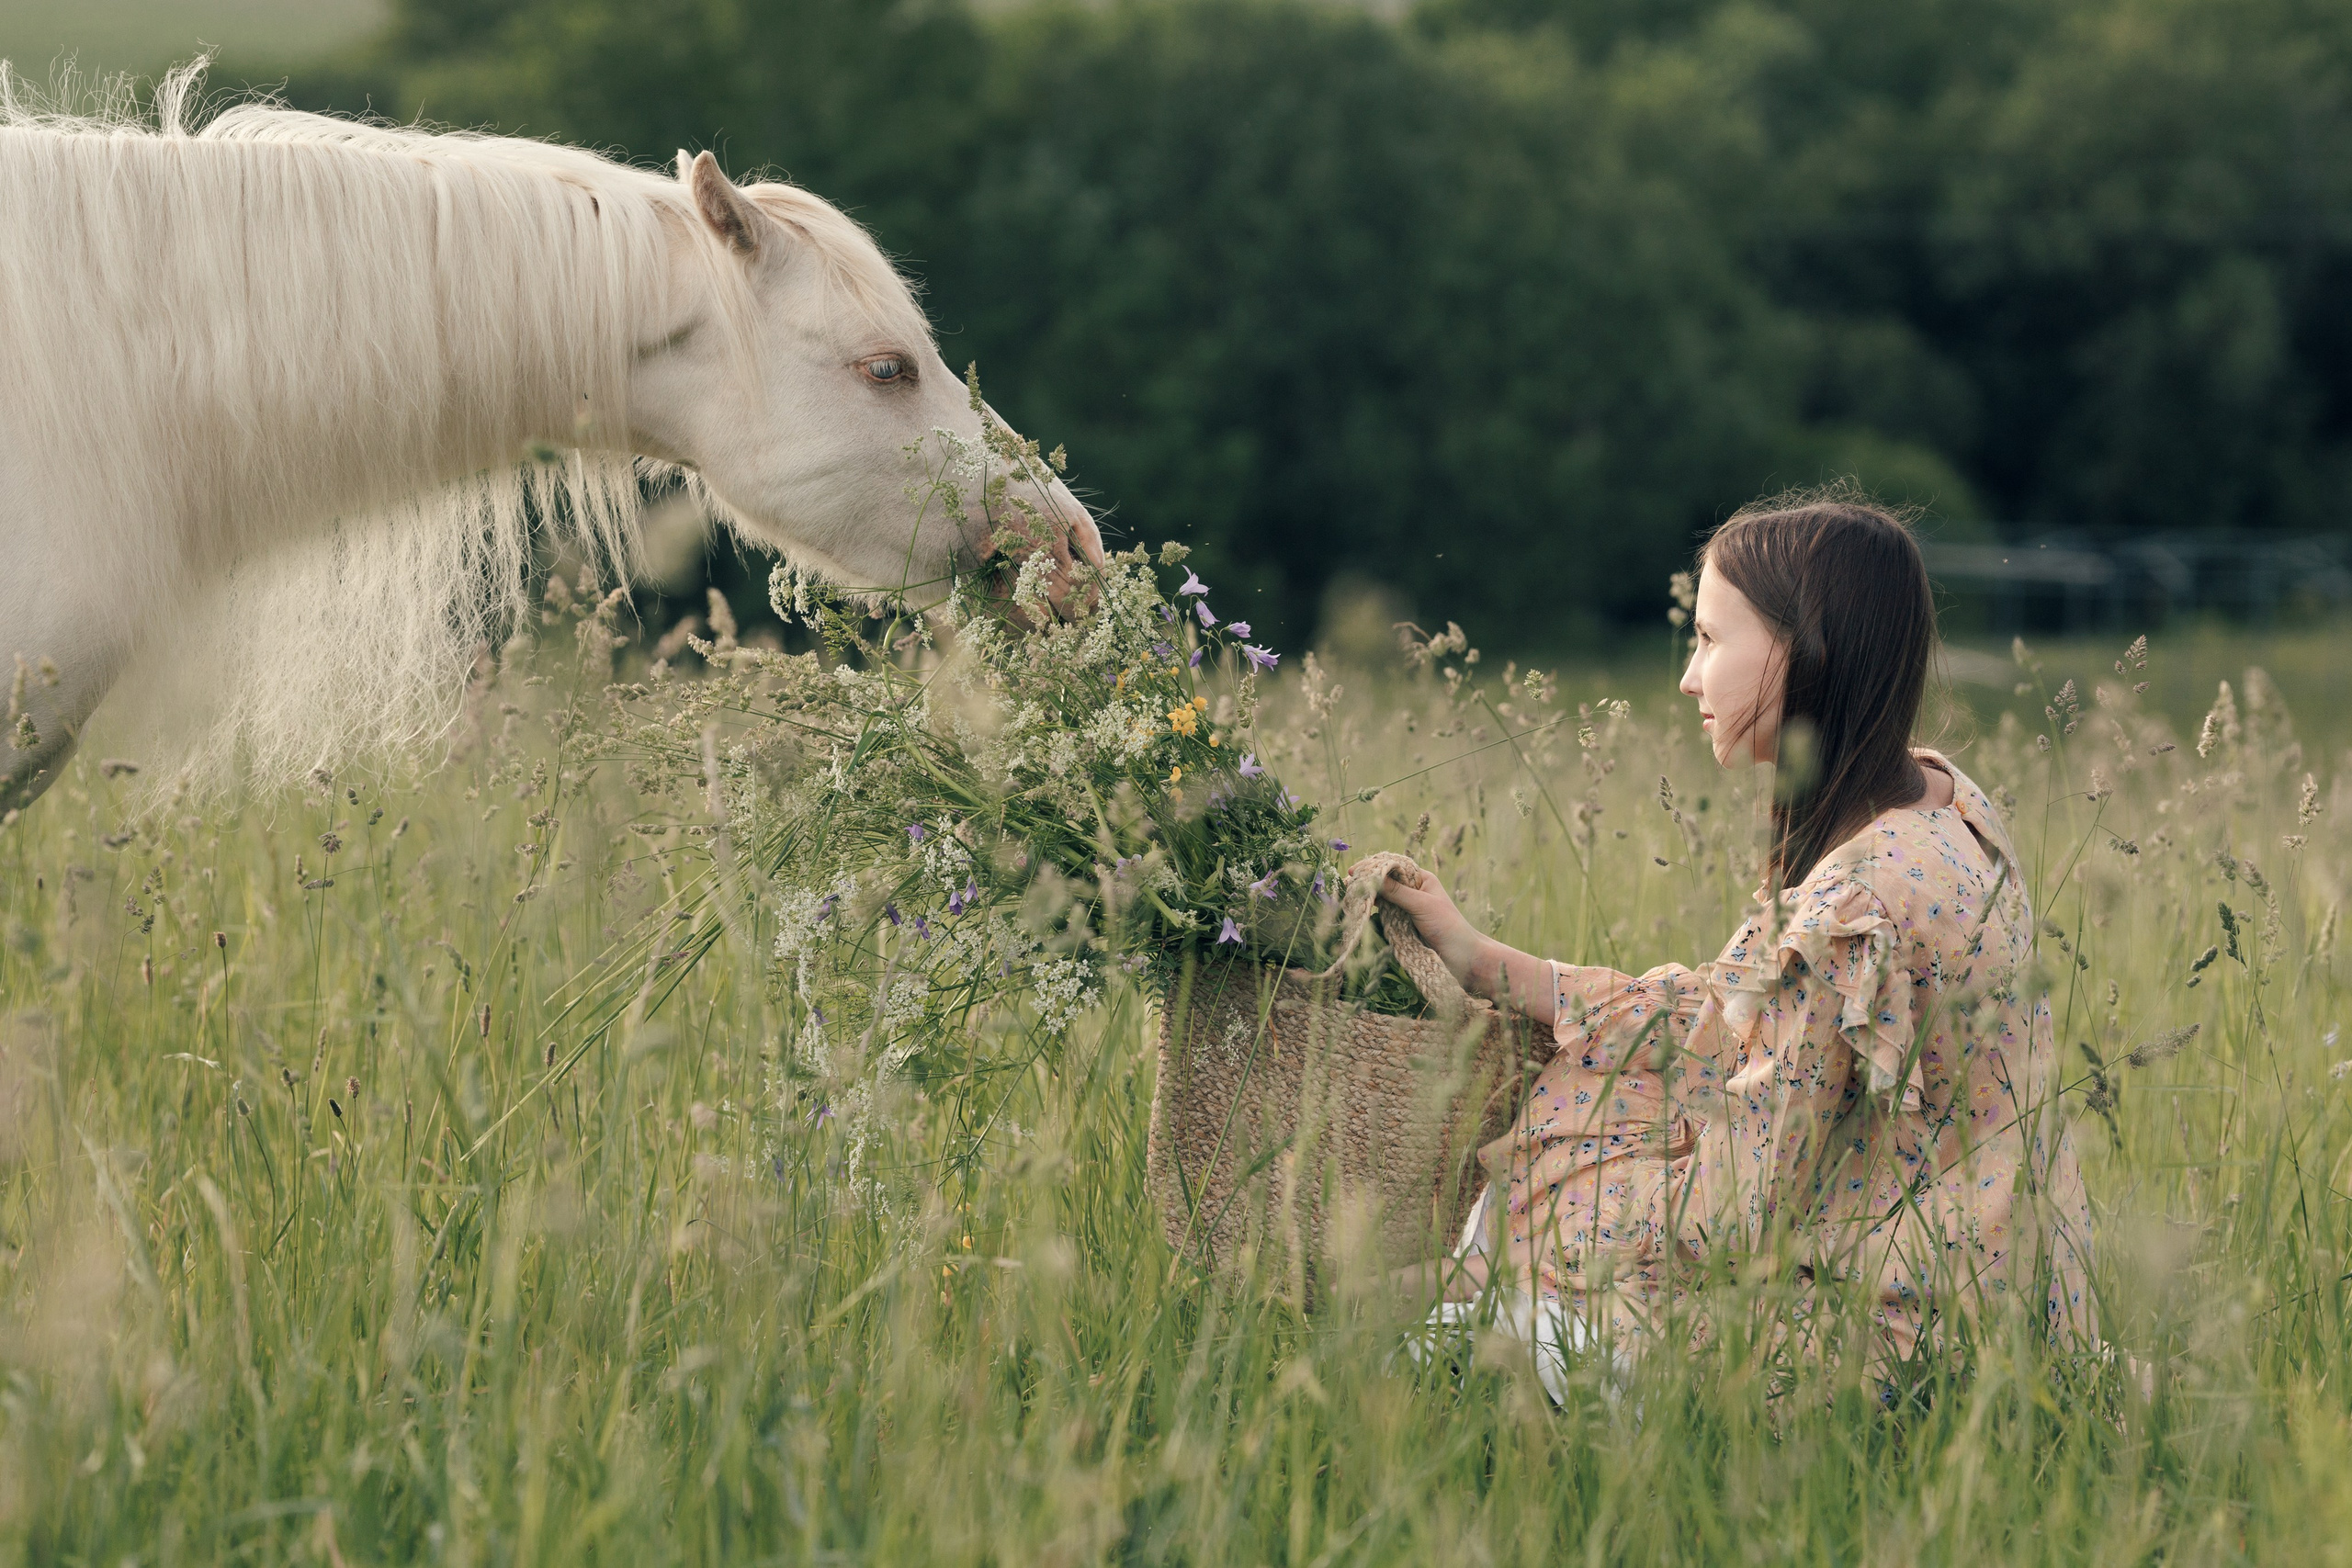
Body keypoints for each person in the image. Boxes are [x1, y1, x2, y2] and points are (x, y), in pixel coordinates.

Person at [1376, 491, 2098, 1382]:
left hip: (1905, 1341)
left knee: (1447, 1340)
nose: (1688, 676)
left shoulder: (1856, 902)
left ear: (1806, 651)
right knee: (1586, 1135)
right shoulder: (1944, 801)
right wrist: (1487, 962)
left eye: (1712, 639)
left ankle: (1459, 1301)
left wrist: (1546, 1224)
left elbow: (1733, 1212)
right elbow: (1736, 1011)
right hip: (2005, 1289)